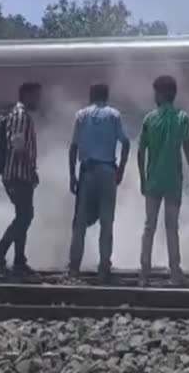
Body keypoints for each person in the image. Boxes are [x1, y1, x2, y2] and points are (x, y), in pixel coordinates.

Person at [137, 75, 189, 287]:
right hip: (173, 181)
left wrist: (142, 178)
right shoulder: (182, 118)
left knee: (149, 227)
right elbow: (188, 149)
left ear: (162, 94)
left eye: (156, 92)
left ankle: (144, 274)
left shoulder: (149, 119)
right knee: (172, 227)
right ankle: (175, 273)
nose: (154, 96)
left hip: (153, 181)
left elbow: (140, 150)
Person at [67, 83, 131, 283]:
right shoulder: (114, 115)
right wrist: (120, 170)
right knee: (106, 221)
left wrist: (72, 175)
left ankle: (74, 268)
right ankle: (104, 267)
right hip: (107, 171)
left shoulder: (81, 115)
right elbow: (126, 142)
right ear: (107, 96)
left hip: (87, 172)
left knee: (80, 223)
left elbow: (73, 147)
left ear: (91, 95)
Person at [0, 82, 42, 276]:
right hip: (18, 174)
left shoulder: (21, 115)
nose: (39, 100)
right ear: (27, 95)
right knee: (25, 216)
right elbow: (17, 144)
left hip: (20, 175)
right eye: (36, 96)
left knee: (23, 216)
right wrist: (31, 168)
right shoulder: (20, 115)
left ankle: (19, 260)